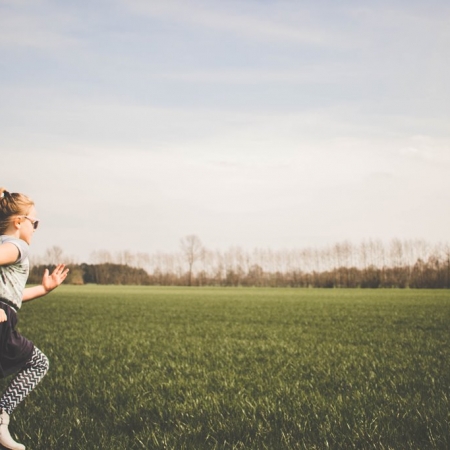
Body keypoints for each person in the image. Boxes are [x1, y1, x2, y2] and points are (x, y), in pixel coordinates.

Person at [0, 188, 68, 450]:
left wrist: (44, 289)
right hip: (4, 326)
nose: (35, 228)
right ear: (19, 222)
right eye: (34, 222)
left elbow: (11, 297)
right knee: (38, 363)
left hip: (6, 314)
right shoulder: (18, 247)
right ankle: (2, 415)